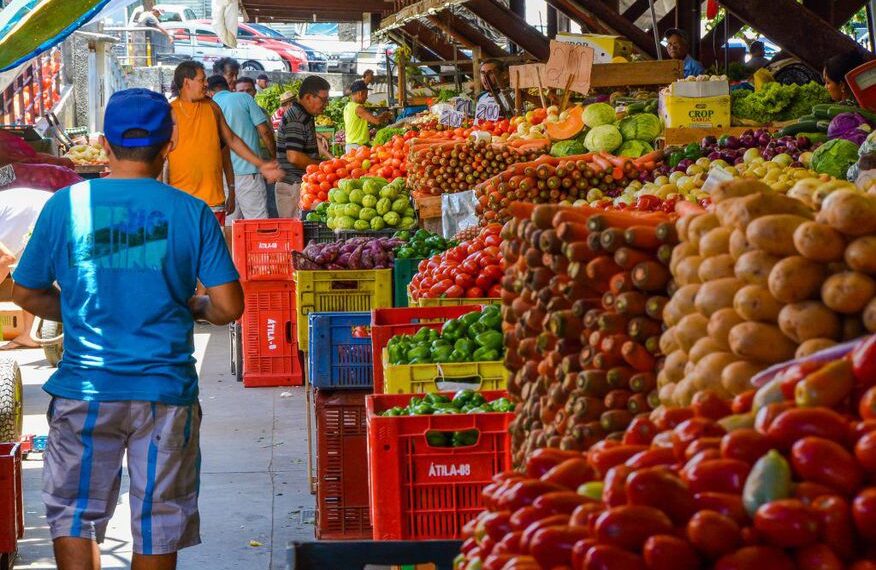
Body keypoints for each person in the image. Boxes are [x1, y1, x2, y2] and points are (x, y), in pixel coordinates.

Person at [11, 87, 244, 570]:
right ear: (170, 144)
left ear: (103, 142)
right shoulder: (193, 212)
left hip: (85, 390)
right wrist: (194, 306)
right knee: (159, 517)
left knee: (73, 514)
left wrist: (75, 308)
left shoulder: (64, 206)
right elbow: (227, 306)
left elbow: (25, 293)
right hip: (164, 393)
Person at [168, 61, 283, 226]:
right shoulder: (169, 112)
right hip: (182, 202)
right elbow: (160, 156)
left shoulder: (212, 107)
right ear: (187, 82)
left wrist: (260, 164)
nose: (206, 84)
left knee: (220, 243)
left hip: (214, 200)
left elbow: (231, 140)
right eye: (202, 80)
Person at [210, 74, 275, 221]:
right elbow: (264, 131)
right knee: (257, 221)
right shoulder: (244, 98)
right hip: (248, 172)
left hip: (223, 176)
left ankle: (231, 245)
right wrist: (273, 157)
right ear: (228, 87)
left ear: (210, 91)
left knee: (229, 222)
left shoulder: (210, 105)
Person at [0, 187, 52, 350]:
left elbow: (5, 259)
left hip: (43, 211)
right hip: (33, 212)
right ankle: (29, 334)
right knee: (24, 270)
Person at [276, 75, 333, 219]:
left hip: (299, 185)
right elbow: (294, 157)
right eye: (323, 100)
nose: (326, 104)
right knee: (296, 233)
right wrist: (322, 166)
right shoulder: (297, 118)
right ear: (308, 97)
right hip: (292, 185)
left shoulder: (305, 115)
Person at [344, 80, 391, 153]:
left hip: (351, 145)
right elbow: (376, 121)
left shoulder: (348, 106)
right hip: (357, 147)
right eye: (366, 95)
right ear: (360, 93)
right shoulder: (358, 108)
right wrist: (385, 115)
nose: (366, 98)